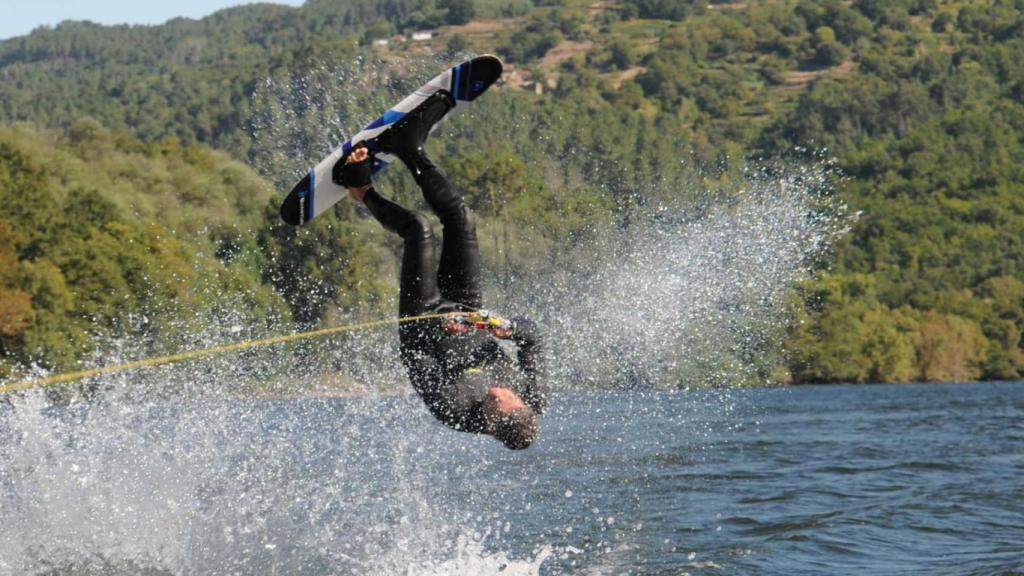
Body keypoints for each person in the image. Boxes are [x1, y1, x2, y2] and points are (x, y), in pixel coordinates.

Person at [335, 90, 548, 450]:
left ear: (491, 424)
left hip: (423, 320)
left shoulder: (455, 410)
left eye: (497, 404)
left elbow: (415, 358)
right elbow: (534, 337)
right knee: (461, 218)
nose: (500, 392)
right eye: (511, 396)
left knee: (419, 229)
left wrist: (436, 326)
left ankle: (360, 188)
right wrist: (496, 325)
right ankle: (409, 146)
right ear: (524, 404)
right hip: (469, 308)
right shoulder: (535, 397)